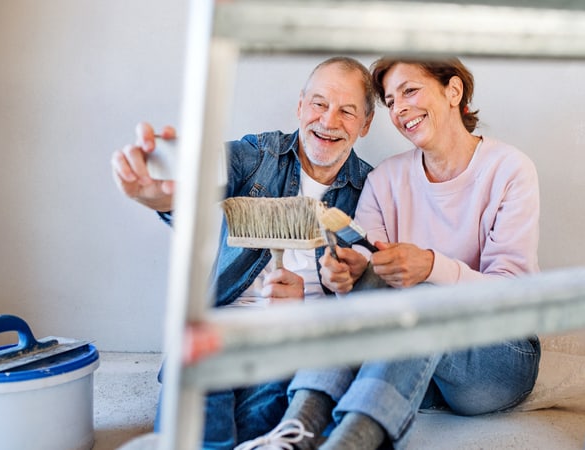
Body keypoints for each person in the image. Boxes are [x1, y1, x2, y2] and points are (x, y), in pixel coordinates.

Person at [245, 57, 541, 450]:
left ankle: (353, 443)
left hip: (498, 354)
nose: (399, 108)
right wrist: (350, 277)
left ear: (453, 91)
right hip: (417, 361)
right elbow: (368, 296)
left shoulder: (509, 169)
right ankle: (295, 432)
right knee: (372, 296)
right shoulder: (385, 178)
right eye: (390, 99)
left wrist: (431, 266)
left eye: (410, 91)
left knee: (420, 296)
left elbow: (515, 293)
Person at [111, 56, 377, 450]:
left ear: (366, 125)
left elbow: (369, 297)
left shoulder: (371, 190)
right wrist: (163, 192)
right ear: (300, 105)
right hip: (219, 330)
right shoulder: (255, 156)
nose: (329, 120)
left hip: (294, 348)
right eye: (319, 103)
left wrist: (304, 308)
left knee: (260, 419)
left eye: (347, 111)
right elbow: (202, 180)